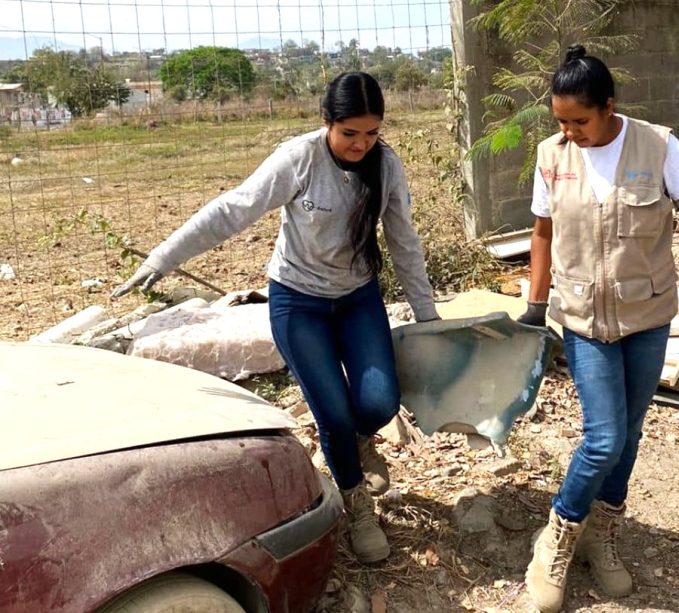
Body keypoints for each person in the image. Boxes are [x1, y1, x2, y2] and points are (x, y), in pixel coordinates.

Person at [112, 72, 439, 565]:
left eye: (372, 133)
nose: (361, 144)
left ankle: (357, 442)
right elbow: (233, 209)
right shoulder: (299, 158)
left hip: (357, 297)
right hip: (298, 302)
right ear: (326, 121)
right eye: (350, 133)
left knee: (377, 403)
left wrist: (428, 315)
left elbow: (403, 241)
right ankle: (355, 501)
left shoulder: (386, 166)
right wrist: (163, 257)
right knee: (330, 411)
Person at [516, 45, 679, 612]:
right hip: (584, 321)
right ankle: (559, 535)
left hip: (647, 318)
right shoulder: (551, 154)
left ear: (609, 106)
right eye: (561, 121)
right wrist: (535, 308)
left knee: (631, 435)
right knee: (604, 437)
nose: (570, 132)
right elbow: (541, 234)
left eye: (580, 121)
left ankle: (603, 534)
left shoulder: (657, 145)